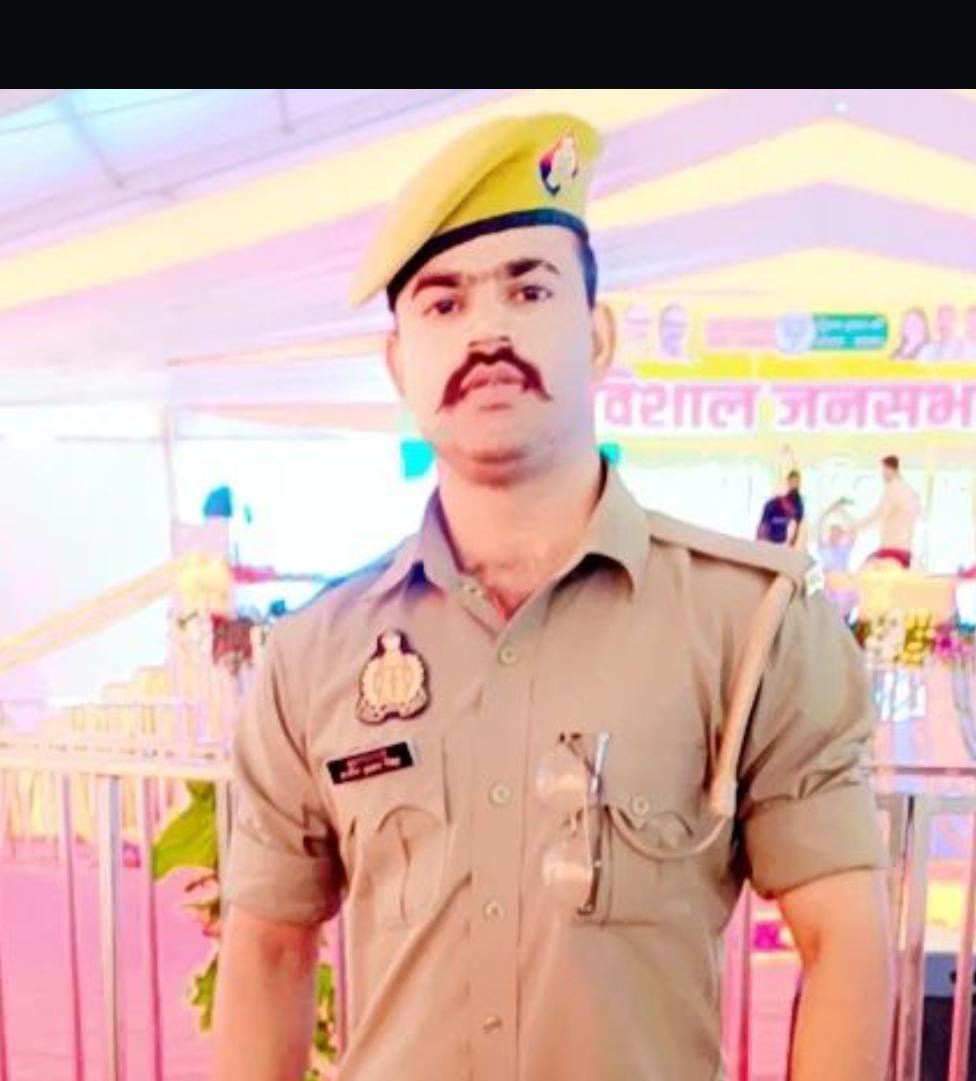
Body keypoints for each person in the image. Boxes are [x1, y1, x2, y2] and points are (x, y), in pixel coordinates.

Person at [214, 113, 893, 1081]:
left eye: (528, 289)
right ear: (399, 363)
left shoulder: (750, 626)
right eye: (442, 304)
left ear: (597, 334)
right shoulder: (316, 651)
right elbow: (268, 949)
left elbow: (844, 939)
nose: (486, 330)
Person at [852, 455, 921, 569]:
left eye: (883, 471)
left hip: (891, 548)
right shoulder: (911, 491)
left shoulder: (893, 488)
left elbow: (879, 513)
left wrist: (856, 527)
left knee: (869, 571)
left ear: (889, 469)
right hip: (906, 550)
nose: (882, 475)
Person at [757, 469, 805, 546]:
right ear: (788, 482)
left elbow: (797, 523)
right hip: (772, 532)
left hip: (781, 537)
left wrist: (792, 543)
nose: (794, 484)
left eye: (797, 482)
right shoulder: (772, 504)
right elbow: (763, 523)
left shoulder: (798, 502)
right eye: (792, 482)